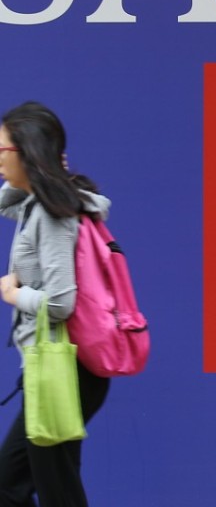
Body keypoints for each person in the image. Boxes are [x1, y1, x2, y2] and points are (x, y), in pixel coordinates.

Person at [0, 102, 111, 506]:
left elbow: (62, 303)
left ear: (26, 152)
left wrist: (13, 294)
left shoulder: (52, 214)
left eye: (2, 151)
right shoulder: (44, 204)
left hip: (63, 370)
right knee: (10, 486)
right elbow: (4, 203)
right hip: (54, 368)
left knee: (55, 492)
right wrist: (35, 170)